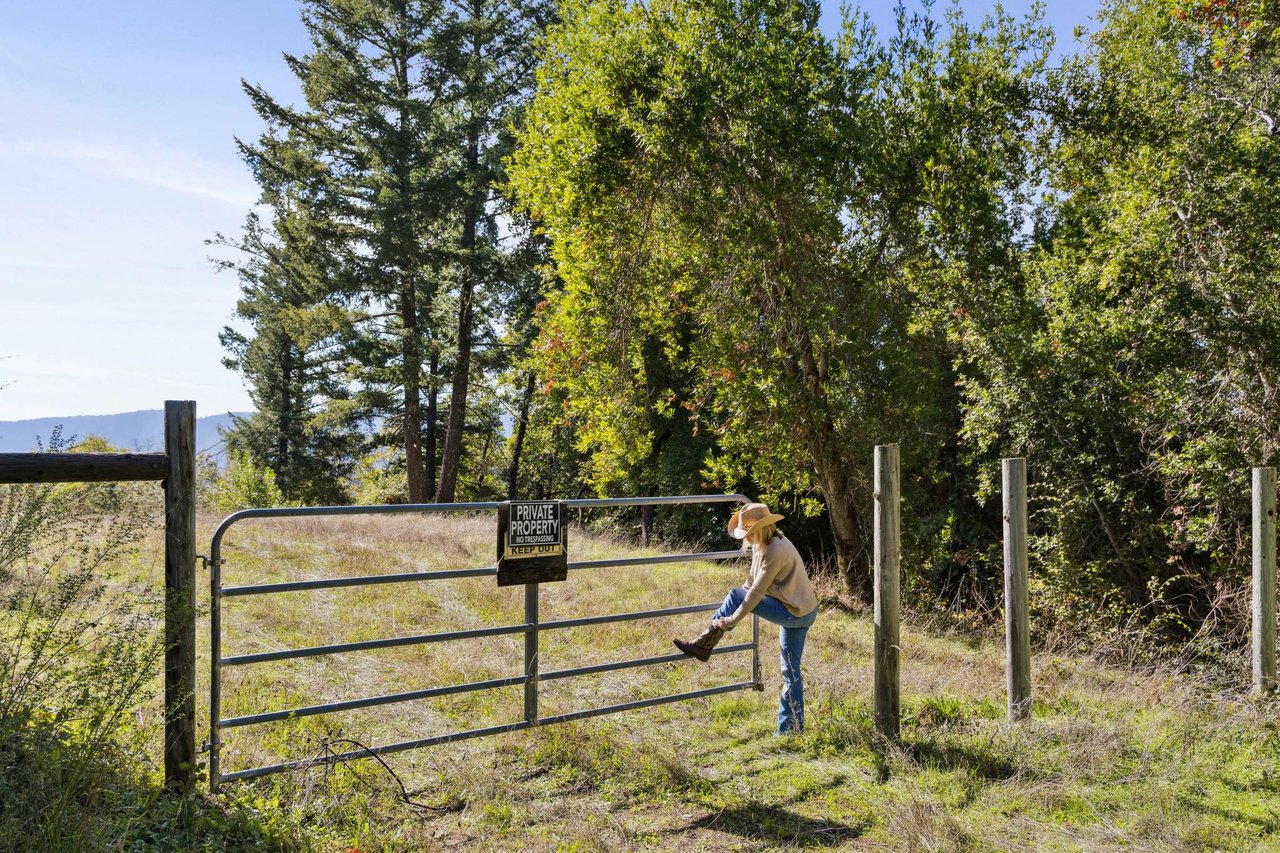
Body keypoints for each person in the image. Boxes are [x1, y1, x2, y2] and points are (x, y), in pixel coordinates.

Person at [674, 502, 819, 734]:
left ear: (760, 529)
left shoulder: (776, 551)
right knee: (790, 672)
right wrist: (734, 609)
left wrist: (730, 620)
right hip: (803, 610)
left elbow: (754, 594)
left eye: (749, 533)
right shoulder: (766, 543)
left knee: (735, 596)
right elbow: (751, 582)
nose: (746, 538)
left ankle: (704, 642)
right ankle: (790, 731)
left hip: (794, 613)